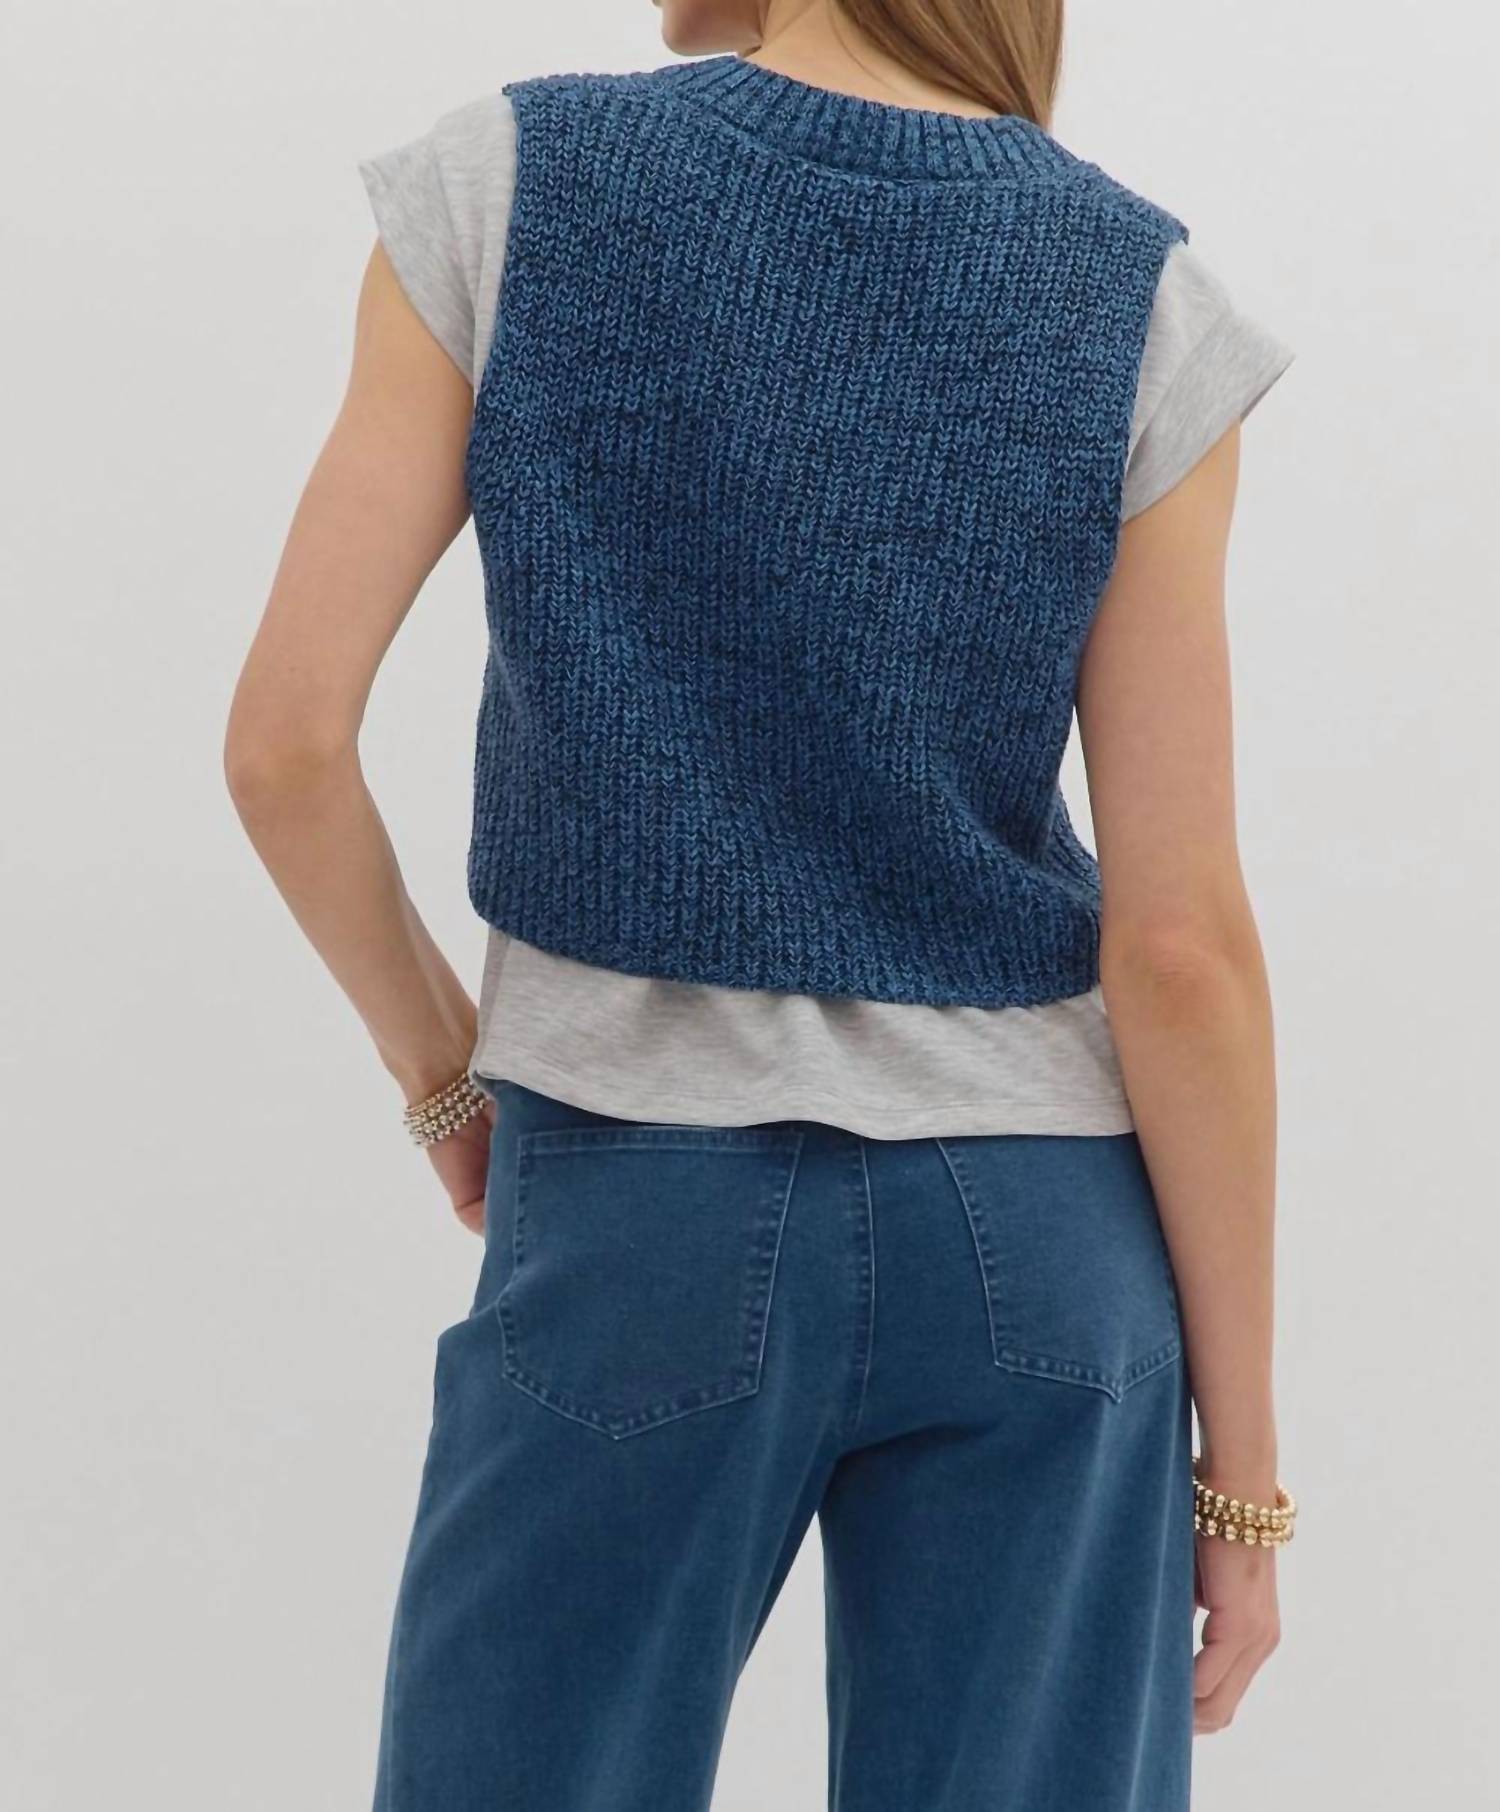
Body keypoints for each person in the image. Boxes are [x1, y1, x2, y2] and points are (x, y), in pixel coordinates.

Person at [224, 2, 1297, 1806]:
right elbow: (1181, 949)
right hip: (1040, 1248)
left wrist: (442, 1074)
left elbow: (284, 749)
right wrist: (1243, 1480)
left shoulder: (515, 181)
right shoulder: (1144, 295)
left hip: (641, 1213)